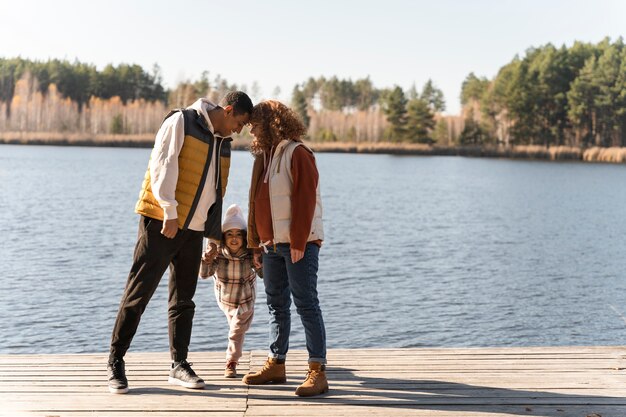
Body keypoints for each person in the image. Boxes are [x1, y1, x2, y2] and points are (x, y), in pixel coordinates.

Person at [106, 92, 253, 394]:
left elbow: (213, 191)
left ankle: (179, 364)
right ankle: (116, 360)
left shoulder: (221, 140)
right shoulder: (182, 121)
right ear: (227, 111)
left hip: (194, 230)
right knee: (139, 293)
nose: (239, 131)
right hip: (163, 223)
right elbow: (163, 165)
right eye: (239, 123)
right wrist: (169, 212)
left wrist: (212, 234)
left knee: (183, 300)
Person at [242, 100, 328, 397]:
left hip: (298, 244)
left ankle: (317, 371)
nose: (250, 130)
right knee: (276, 305)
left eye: (254, 124)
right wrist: (255, 244)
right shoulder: (262, 158)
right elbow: (255, 205)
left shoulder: (298, 153)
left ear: (270, 124)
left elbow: (306, 199)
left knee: (306, 303)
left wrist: (299, 241)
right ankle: (276, 364)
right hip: (269, 246)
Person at [199, 204, 262, 378]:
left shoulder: (249, 254)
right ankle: (234, 353)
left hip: (245, 299)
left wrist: (260, 263)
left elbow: (263, 275)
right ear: (223, 237)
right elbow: (204, 275)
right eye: (229, 235)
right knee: (238, 329)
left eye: (238, 235)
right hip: (226, 300)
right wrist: (206, 260)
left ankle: (231, 362)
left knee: (236, 330)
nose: (234, 239)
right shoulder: (218, 254)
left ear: (244, 237)